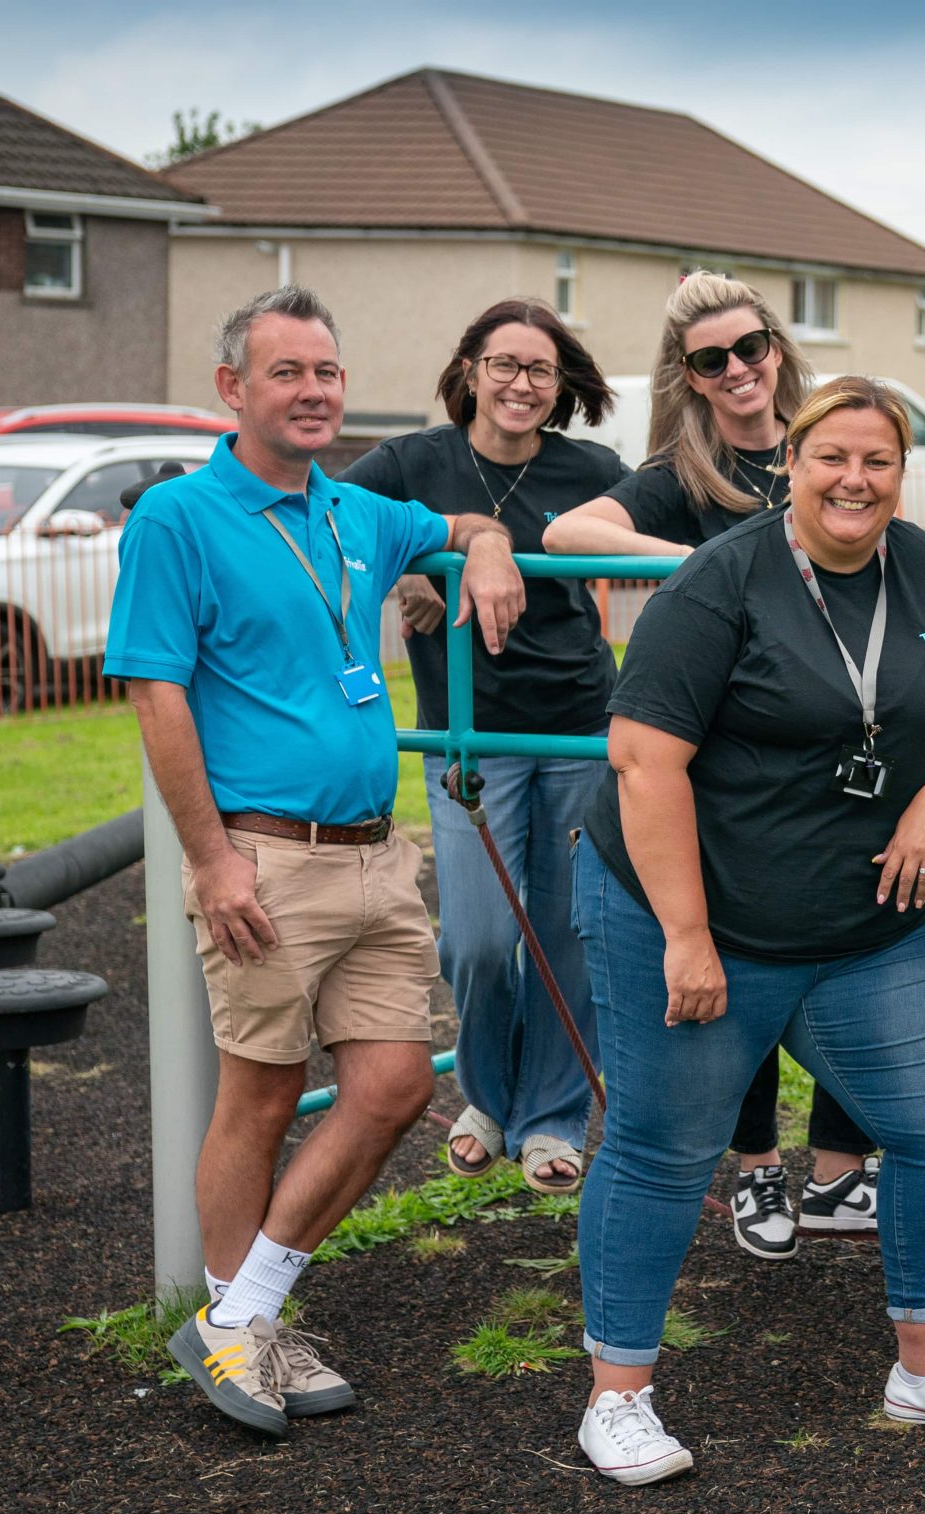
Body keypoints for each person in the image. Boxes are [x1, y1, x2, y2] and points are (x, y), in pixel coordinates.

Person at [571, 377, 925, 1486]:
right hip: (700, 912)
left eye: (877, 462)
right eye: (831, 457)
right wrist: (686, 937)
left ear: (902, 473)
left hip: (859, 926)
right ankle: (617, 1397)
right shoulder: (721, 579)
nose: (854, 480)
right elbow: (644, 761)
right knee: (661, 1146)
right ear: (790, 462)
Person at [105, 285, 526, 1437]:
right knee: (265, 1091)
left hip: (374, 855)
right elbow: (158, 696)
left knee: (393, 1085)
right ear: (233, 388)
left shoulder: (357, 511)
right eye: (286, 372)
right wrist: (210, 859)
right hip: (263, 857)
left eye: (326, 373)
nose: (312, 392)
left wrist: (484, 550)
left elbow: (465, 525)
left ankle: (242, 1318)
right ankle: (246, 1332)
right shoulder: (178, 521)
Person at [547, 273, 880, 1258]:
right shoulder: (682, 478)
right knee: (739, 954)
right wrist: (710, 564)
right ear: (686, 378)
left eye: (750, 348)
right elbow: (570, 533)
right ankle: (754, 1174)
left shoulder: (824, 441)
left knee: (858, 943)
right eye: (711, 360)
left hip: (842, 735)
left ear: (776, 347)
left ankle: (837, 1173)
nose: (737, 370)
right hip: (730, 745)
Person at [342, 299, 624, 1196]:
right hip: (471, 732)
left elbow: (658, 530)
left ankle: (545, 1115)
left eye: (540, 370)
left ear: (559, 385)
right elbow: (333, 522)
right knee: (474, 934)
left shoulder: (591, 468)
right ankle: (489, 1095)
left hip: (578, 725)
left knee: (561, 930)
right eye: (504, 364)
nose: (521, 384)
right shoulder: (412, 462)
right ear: (468, 369)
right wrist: (423, 567)